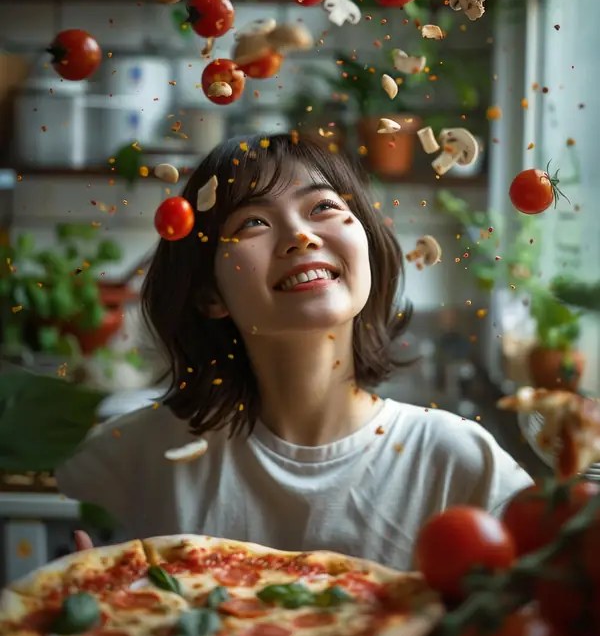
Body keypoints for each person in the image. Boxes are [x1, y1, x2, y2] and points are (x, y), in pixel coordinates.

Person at [57, 133, 532, 570]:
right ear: (210, 295)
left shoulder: (457, 462)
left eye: (323, 207)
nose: (301, 236)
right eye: (254, 222)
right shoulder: (142, 453)